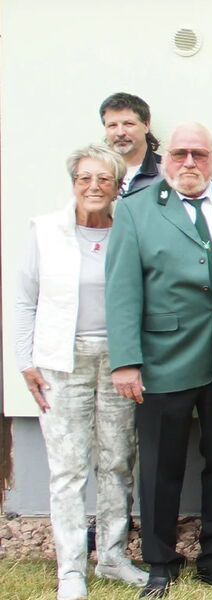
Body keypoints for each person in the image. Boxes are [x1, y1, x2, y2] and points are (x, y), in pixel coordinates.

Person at [106, 123, 212, 597]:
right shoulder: (136, 210)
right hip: (163, 360)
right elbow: (122, 290)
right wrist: (126, 361)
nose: (189, 163)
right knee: (161, 466)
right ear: (165, 160)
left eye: (199, 154)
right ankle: (160, 560)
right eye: (180, 154)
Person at [16, 144, 149, 599]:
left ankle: (113, 557)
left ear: (117, 186)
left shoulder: (128, 229)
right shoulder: (45, 230)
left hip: (119, 359)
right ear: (73, 182)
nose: (94, 186)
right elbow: (25, 300)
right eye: (85, 178)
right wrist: (25, 361)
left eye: (104, 179)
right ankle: (71, 569)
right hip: (61, 360)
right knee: (68, 469)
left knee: (117, 460)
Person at [99, 92, 162, 193]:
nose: (120, 133)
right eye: (112, 125)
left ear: (146, 126)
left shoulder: (168, 172)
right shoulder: (96, 174)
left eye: (128, 124)